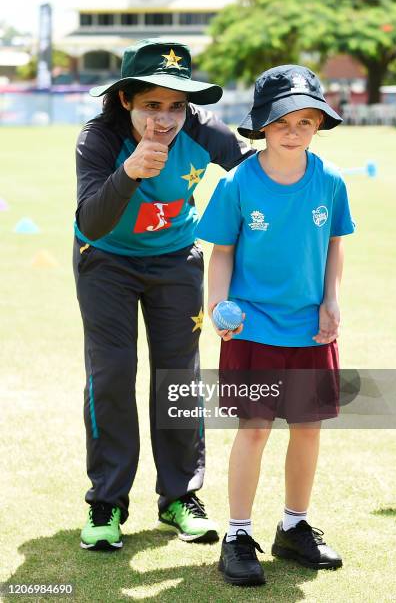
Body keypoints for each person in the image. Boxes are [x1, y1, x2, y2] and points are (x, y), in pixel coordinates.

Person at [73, 38, 254, 551]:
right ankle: (106, 502)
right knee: (111, 373)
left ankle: (180, 497)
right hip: (105, 260)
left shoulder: (203, 132)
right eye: (153, 104)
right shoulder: (99, 138)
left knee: (179, 376)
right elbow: (91, 218)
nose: (166, 119)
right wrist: (128, 174)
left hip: (176, 259)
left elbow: (256, 176)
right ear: (126, 100)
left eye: (177, 106)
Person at [197, 65, 355, 585]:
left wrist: (332, 301)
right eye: (285, 119)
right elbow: (221, 254)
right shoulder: (238, 183)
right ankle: (237, 534)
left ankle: (294, 526)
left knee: (308, 429)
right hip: (253, 331)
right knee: (255, 429)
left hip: (311, 331)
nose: (296, 129)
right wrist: (219, 306)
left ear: (319, 126)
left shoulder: (330, 181)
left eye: (307, 120)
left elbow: (334, 246)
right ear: (263, 123)